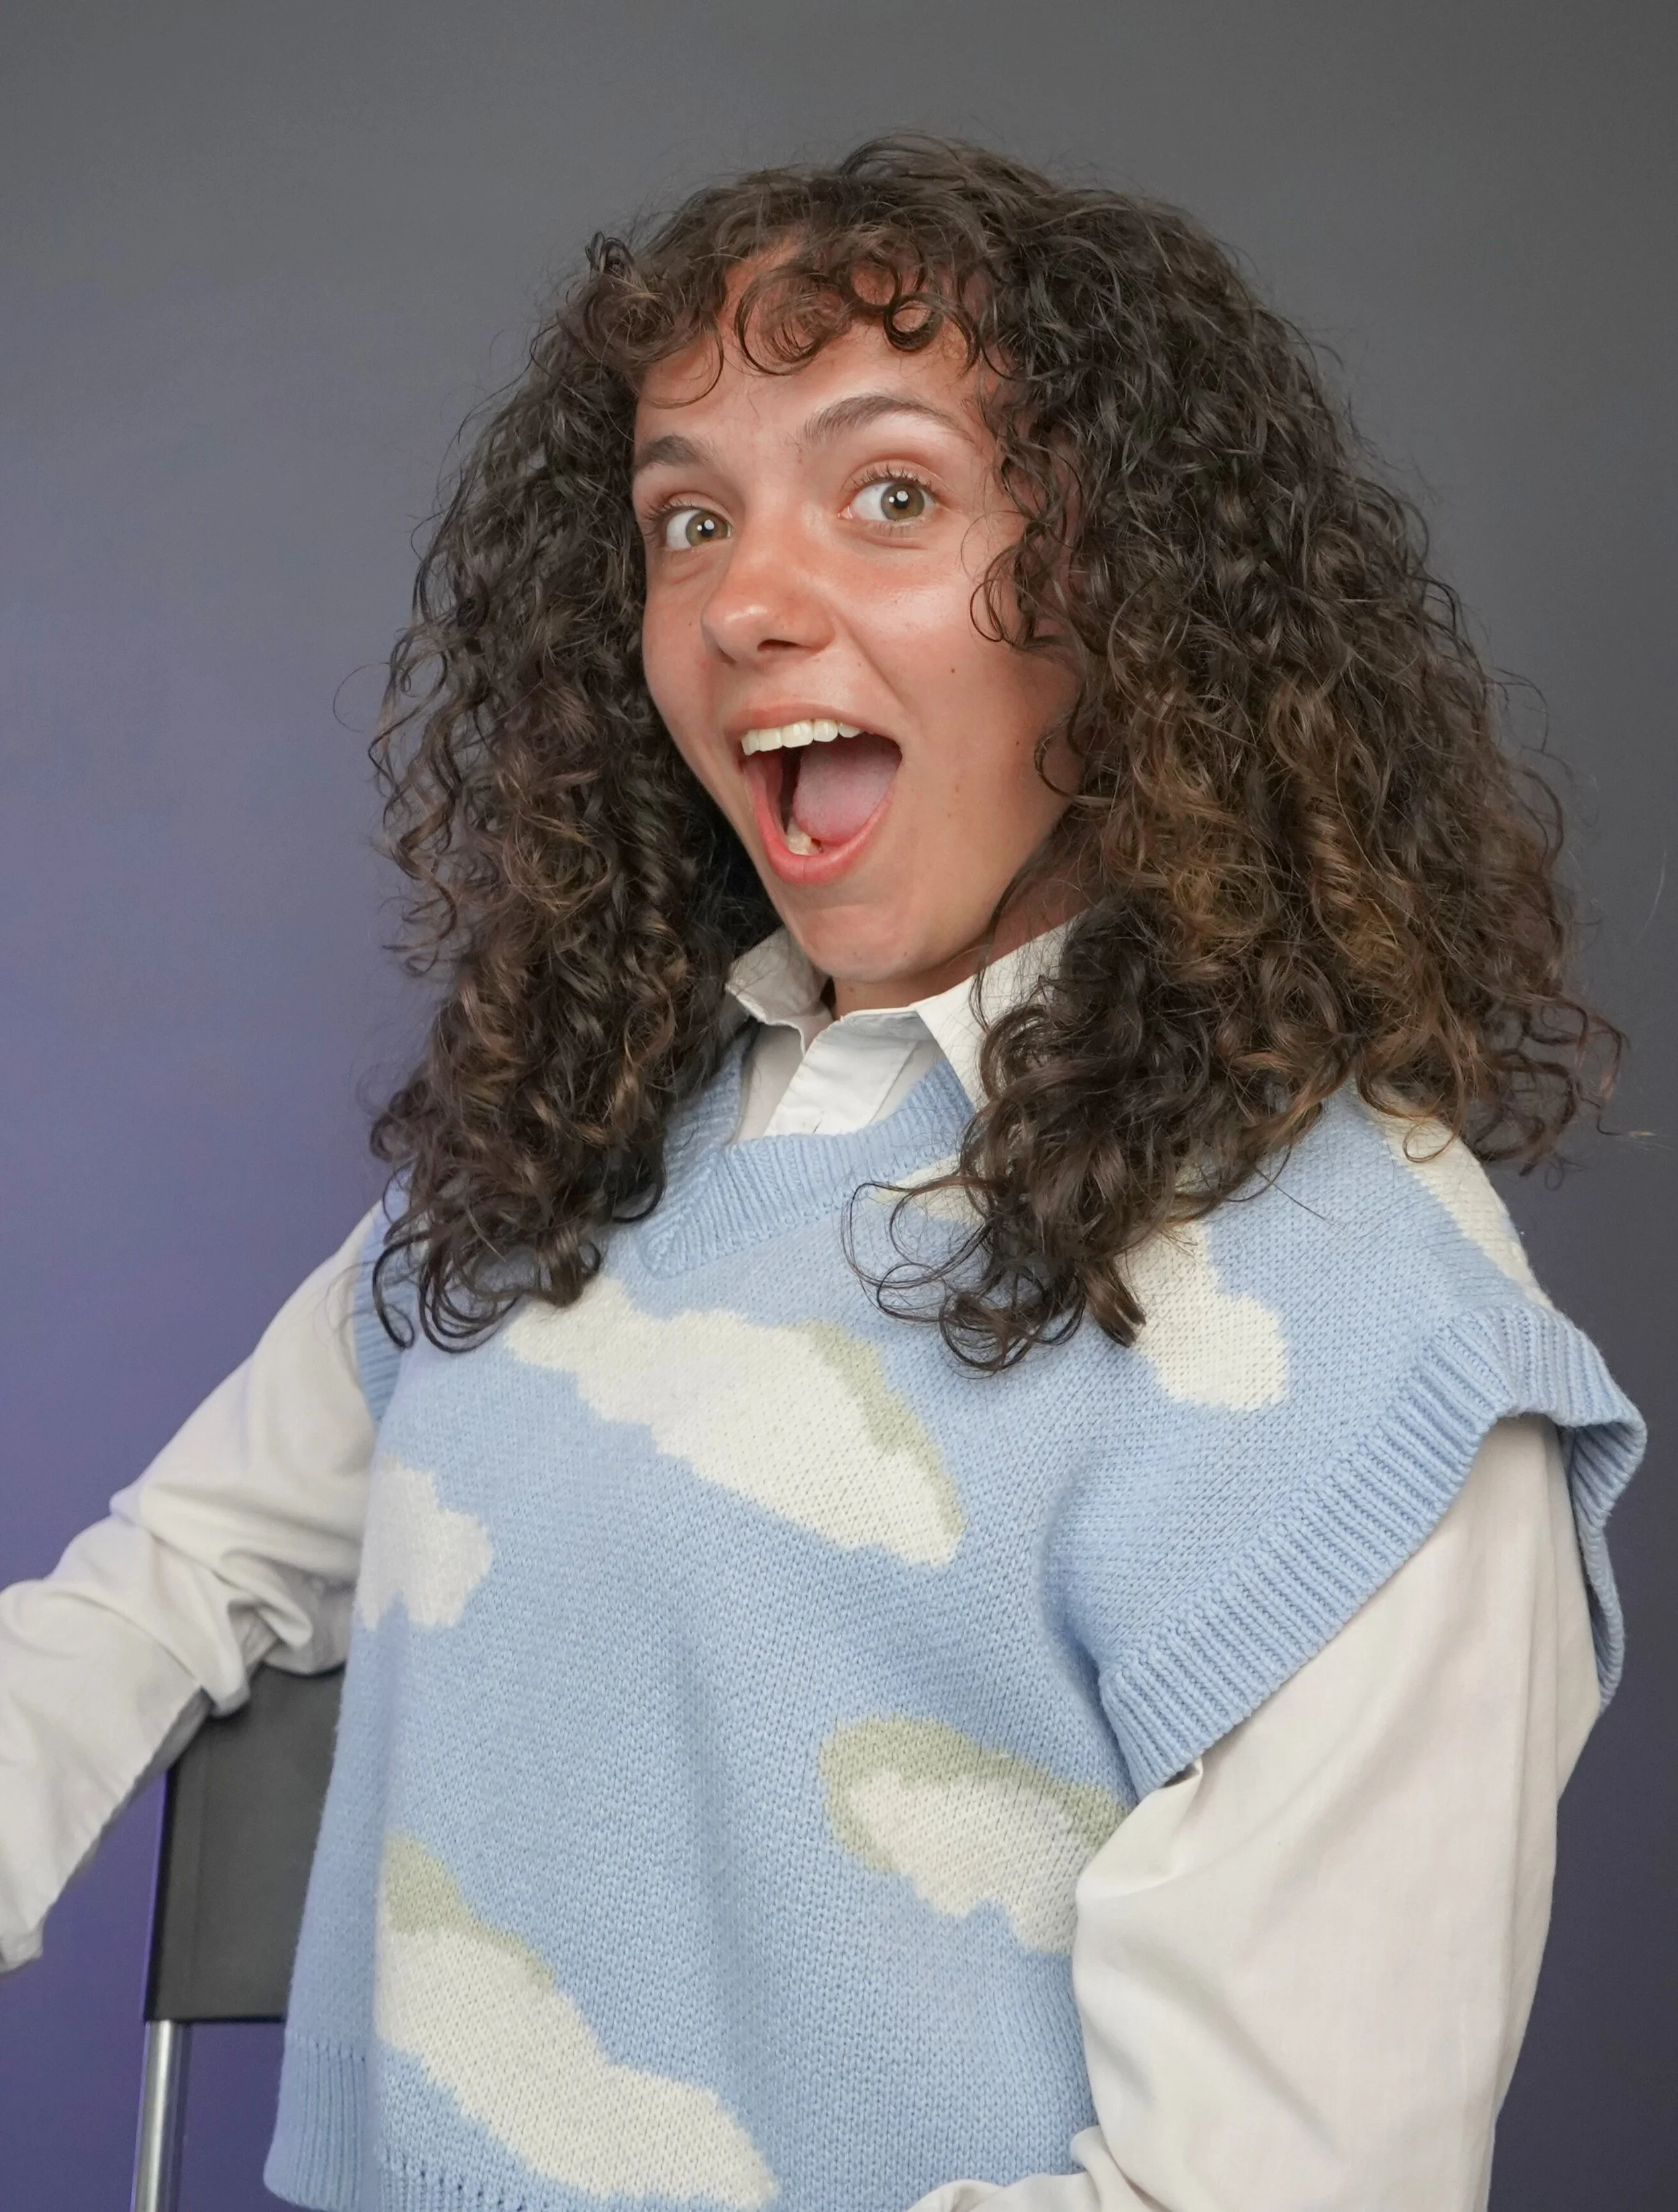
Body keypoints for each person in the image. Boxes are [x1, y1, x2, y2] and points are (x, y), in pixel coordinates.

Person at [0, 138, 1645, 2212]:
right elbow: (175, 1574)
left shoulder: (1372, 1336)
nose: (744, 602)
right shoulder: (588, 1131)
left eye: (892, 495)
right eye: (686, 519)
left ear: (1134, 604)